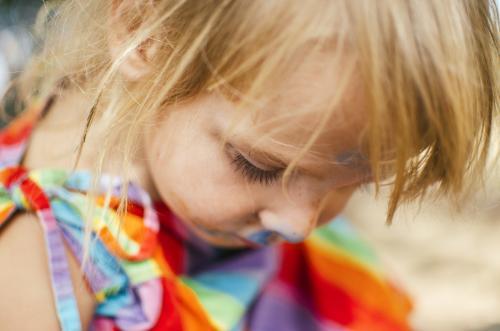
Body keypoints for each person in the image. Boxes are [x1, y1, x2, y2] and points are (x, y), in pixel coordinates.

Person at [0, 0, 497, 330]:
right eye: (260, 166)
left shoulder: (236, 193)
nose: (300, 224)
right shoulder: (43, 261)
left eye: (357, 182)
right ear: (142, 35)